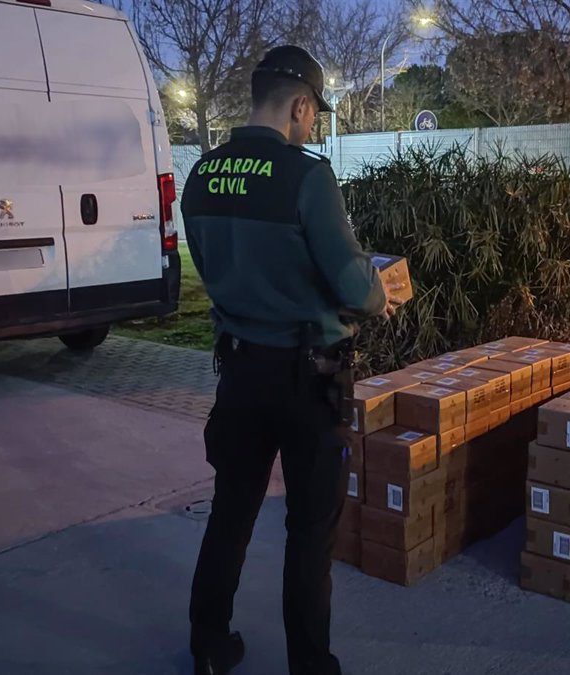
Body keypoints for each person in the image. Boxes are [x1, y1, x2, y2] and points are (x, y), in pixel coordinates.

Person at [181, 45, 405, 675]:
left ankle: (207, 647)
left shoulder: (201, 175)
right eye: (312, 115)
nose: (311, 127)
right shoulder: (308, 177)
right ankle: (309, 666)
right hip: (310, 382)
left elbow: (217, 265)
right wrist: (376, 292)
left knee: (231, 510)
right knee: (310, 532)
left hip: (241, 372)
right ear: (300, 105)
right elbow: (356, 286)